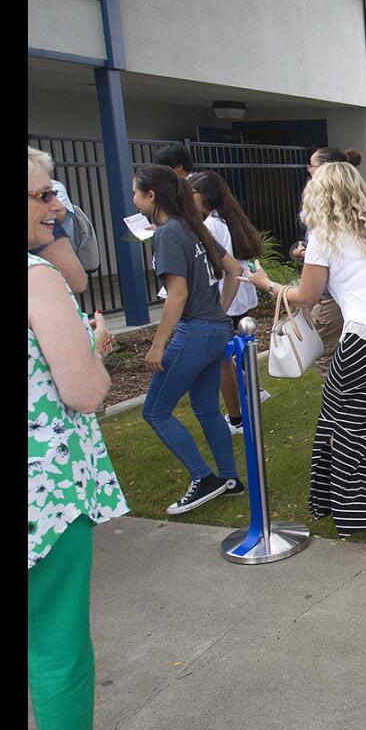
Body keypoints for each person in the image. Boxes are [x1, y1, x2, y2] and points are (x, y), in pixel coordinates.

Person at [242, 162, 366, 536]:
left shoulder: (324, 236)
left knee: (347, 429)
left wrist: (268, 284)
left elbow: (306, 297)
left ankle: (354, 515)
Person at [28, 146, 129, 730]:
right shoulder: (37, 280)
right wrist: (92, 349)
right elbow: (85, 392)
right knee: (56, 644)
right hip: (45, 491)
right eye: (43, 196)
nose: (57, 208)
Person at [133, 164, 245, 514]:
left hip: (194, 331)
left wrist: (158, 345)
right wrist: (220, 310)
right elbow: (235, 270)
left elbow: (176, 295)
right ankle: (229, 479)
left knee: (155, 411)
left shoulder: (168, 233)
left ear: (152, 196)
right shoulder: (193, 225)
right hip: (216, 329)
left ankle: (204, 477)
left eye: (136, 192)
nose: (134, 199)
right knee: (207, 409)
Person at [187, 171, 264, 435]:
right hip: (241, 297)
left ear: (203, 196)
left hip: (228, 299)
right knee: (234, 359)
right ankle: (252, 397)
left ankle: (238, 417)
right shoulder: (227, 219)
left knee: (223, 361)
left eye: (192, 193)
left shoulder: (212, 226)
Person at [291, 147, 362, 378]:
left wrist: (270, 285)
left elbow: (305, 296)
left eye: (311, 165)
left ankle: (340, 402)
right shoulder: (356, 205)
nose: (309, 171)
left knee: (324, 355)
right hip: (344, 298)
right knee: (344, 354)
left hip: (330, 298)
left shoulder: (325, 216)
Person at [27, 148, 89, 295]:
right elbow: (76, 282)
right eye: (45, 195)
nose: (58, 206)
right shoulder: (39, 273)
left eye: (53, 193)